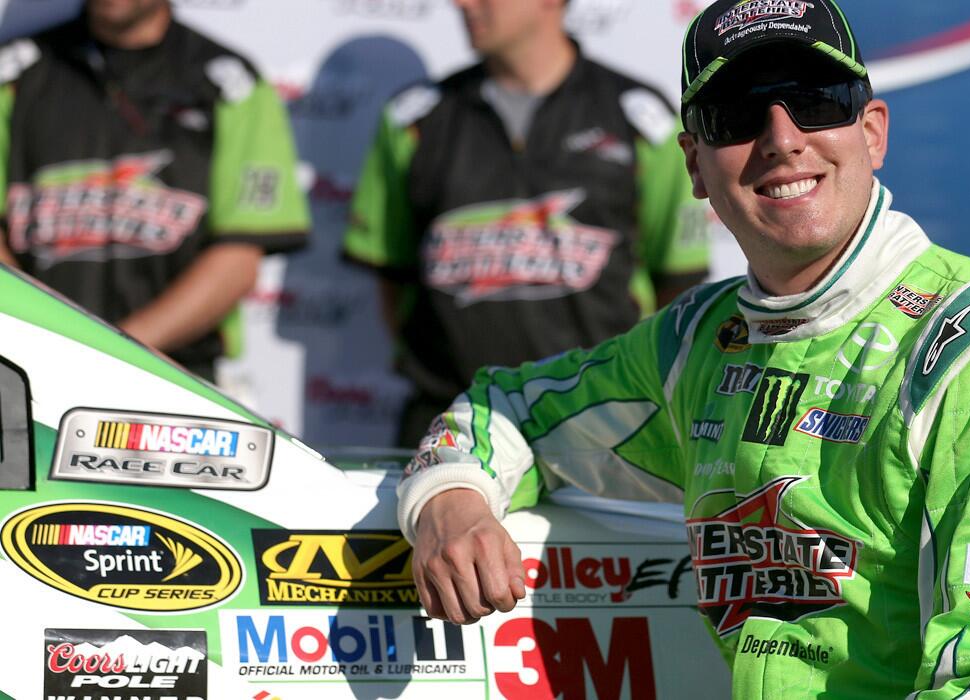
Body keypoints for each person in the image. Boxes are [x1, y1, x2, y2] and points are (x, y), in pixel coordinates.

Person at [395, 0, 970, 697]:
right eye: (738, 115)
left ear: (871, 130)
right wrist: (447, 499)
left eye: (815, 100)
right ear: (693, 164)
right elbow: (507, 407)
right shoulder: (695, 344)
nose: (782, 139)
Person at [342, 0, 710, 446]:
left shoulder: (639, 118)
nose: (462, 4)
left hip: (602, 425)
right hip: (446, 423)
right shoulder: (415, 119)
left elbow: (675, 280)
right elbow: (394, 275)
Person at [0, 0, 309, 381]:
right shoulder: (14, 73)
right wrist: (48, 343)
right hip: (29, 371)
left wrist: (109, 354)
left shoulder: (231, 83)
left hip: (174, 377)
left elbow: (238, 259)